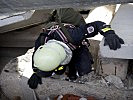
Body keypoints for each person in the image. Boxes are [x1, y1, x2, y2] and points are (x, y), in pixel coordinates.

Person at [27, 8, 124, 89]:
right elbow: (38, 59)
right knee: (59, 71)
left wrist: (109, 33)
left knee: (84, 69)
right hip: (56, 30)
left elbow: (97, 25)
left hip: (72, 27)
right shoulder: (42, 41)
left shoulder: (75, 35)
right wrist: (37, 73)